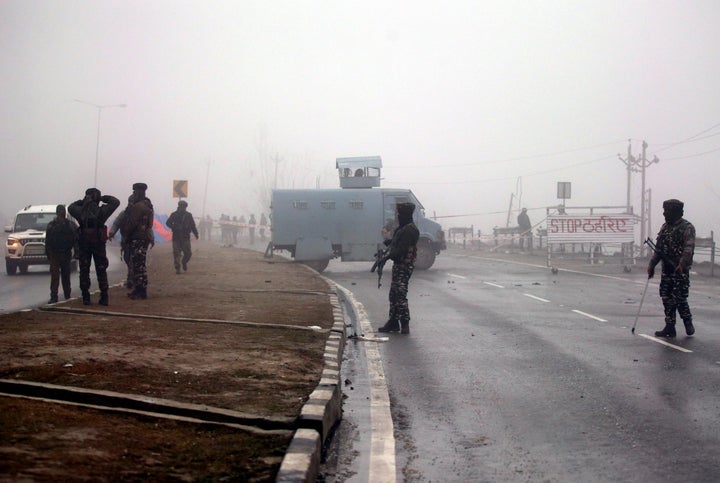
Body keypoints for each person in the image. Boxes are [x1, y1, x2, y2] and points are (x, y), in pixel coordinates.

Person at [647, 199, 696, 337]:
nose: (664, 214)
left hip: (679, 270)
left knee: (679, 298)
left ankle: (687, 321)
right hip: (667, 270)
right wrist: (652, 265)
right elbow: (659, 249)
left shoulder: (687, 227)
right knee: (666, 297)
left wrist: (682, 264)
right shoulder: (665, 227)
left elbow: (688, 248)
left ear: (676, 212)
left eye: (667, 211)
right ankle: (670, 326)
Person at [68, 188, 120, 305]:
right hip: (98, 244)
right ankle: (104, 296)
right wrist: (102, 199)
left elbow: (70, 207)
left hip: (84, 244)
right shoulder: (102, 212)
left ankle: (86, 297)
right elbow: (116, 202)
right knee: (101, 269)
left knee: (84, 270)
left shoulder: (80, 211)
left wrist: (82, 201)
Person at [377, 202, 420, 335]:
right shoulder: (402, 228)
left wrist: (386, 258)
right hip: (399, 265)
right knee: (394, 294)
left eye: (399, 214)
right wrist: (389, 242)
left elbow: (401, 250)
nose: (397, 216)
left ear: (405, 214)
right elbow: (397, 242)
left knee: (400, 295)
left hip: (404, 265)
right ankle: (394, 323)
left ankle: (405, 324)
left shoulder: (410, 230)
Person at [122, 182, 154, 300]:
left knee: (137, 265)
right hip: (144, 237)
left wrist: (126, 235)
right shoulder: (148, 205)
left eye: (135, 191)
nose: (134, 194)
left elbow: (131, 223)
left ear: (138, 192)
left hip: (137, 238)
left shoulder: (138, 206)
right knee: (141, 264)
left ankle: (139, 290)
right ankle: (142, 289)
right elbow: (150, 223)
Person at [45, 204, 78, 303]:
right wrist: (48, 254)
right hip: (55, 254)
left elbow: (76, 239)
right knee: (55, 276)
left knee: (65, 276)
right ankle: (54, 296)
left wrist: (76, 252)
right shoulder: (52, 225)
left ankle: (67, 295)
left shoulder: (70, 225)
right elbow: (48, 241)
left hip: (65, 253)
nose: (61, 214)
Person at [108, 195, 136, 292]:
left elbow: (147, 226)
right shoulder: (124, 214)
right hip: (126, 242)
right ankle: (131, 278)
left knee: (135, 262)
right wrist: (111, 233)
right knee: (129, 260)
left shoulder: (140, 214)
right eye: (130, 202)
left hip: (137, 242)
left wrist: (150, 238)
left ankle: (131, 279)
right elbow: (116, 224)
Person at [166, 200, 199, 274]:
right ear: (179, 206)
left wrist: (196, 233)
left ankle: (184, 262)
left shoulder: (188, 215)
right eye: (182, 206)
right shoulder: (174, 214)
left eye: (185, 207)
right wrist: (174, 227)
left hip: (185, 237)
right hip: (176, 237)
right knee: (176, 253)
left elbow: (193, 225)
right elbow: (168, 223)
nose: (183, 208)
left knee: (188, 253)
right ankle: (177, 268)